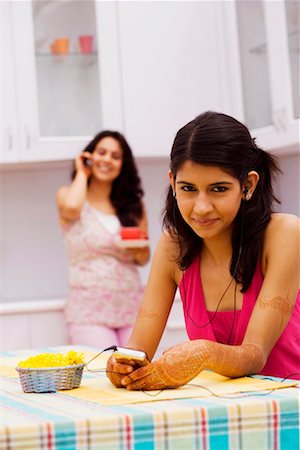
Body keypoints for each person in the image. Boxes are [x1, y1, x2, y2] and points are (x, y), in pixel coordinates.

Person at [106, 111, 300, 390]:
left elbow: (255, 355)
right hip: (219, 413)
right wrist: (123, 366)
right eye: (188, 188)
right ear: (173, 183)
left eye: (218, 189)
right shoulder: (173, 246)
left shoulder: (284, 234)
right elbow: (138, 349)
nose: (201, 207)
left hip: (288, 407)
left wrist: (203, 353)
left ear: (248, 185)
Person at [56, 130, 150, 347]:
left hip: (131, 306)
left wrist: (136, 248)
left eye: (115, 156)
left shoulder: (133, 206)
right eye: (102, 152)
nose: (107, 159)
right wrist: (82, 172)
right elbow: (70, 209)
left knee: (135, 373)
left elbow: (143, 258)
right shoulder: (68, 196)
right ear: (89, 156)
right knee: (102, 374)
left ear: (122, 165)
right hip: (89, 311)